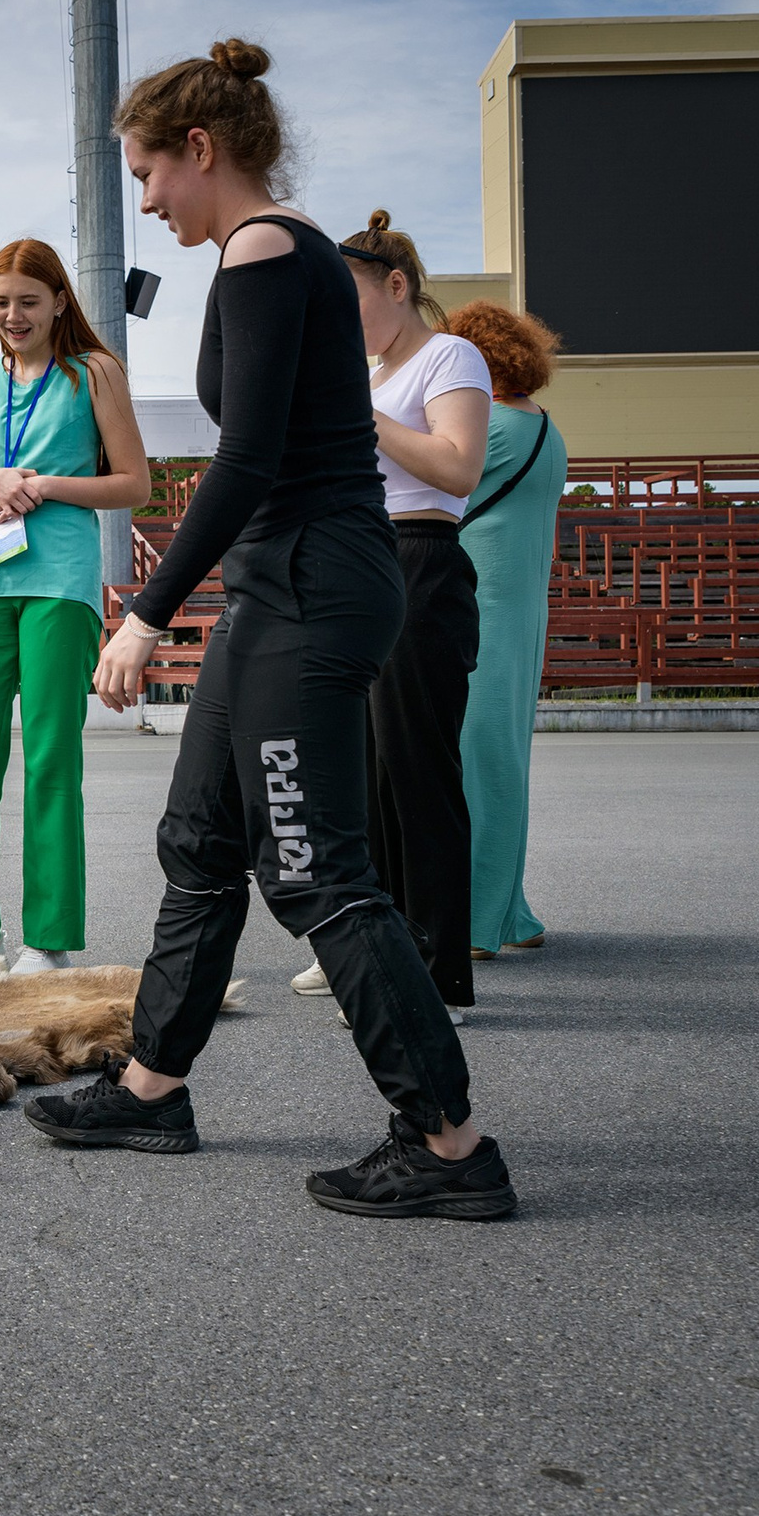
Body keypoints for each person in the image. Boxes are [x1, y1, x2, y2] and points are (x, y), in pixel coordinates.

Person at [25, 40, 516, 1219]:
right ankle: (153, 1087)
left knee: (314, 867)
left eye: (149, 173)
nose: (145, 201)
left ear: (202, 150)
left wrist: (144, 612)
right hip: (279, 585)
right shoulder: (277, 250)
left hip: (309, 583)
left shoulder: (259, 252)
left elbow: (244, 462)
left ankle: (448, 1144)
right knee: (200, 838)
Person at [0, 239, 150, 975]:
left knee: (51, 757)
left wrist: (49, 483)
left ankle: (50, 940)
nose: (13, 315)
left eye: (29, 300)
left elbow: (134, 484)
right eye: (0, 302)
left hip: (60, 581)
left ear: (60, 299)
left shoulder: (95, 373)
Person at [320, 209, 492, 1018]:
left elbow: (457, 469)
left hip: (421, 560)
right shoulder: (366, 371)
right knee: (360, 775)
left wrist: (367, 419)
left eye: (348, 297)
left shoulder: (448, 354)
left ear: (397, 286)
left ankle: (439, 968)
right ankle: (376, 946)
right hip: (360, 565)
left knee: (417, 774)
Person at [446, 299, 567, 960]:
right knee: (504, 761)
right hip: (521, 616)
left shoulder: (488, 426)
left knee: (475, 762)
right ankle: (511, 909)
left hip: (478, 611)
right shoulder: (545, 426)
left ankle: (478, 921)